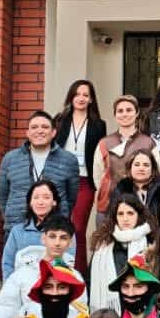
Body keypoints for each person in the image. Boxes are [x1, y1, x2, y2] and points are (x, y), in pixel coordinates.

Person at [54, 79, 107, 275]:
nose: (81, 98)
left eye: (86, 95)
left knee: (78, 228)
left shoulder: (98, 125)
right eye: (77, 94)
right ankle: (58, 271)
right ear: (71, 97)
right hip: (60, 180)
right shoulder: (59, 120)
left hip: (85, 181)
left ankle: (79, 275)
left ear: (91, 99)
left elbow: (99, 156)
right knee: (58, 227)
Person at [0, 110, 80, 226]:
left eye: (45, 127)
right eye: (34, 127)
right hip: (17, 226)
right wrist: (12, 218)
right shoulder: (10, 159)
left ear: (53, 132)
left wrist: (62, 217)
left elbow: (71, 197)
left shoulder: (69, 160)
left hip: (55, 228)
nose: (39, 131)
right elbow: (2, 195)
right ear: (27, 133)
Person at [0, 213, 78, 318]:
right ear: (43, 238)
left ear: (70, 242)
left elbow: (78, 315)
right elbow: (3, 312)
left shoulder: (75, 278)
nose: (57, 243)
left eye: (63, 238)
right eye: (52, 236)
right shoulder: (22, 275)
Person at [91, 95, 160, 224]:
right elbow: (98, 176)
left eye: (129, 110)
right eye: (120, 111)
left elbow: (156, 172)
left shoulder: (148, 142)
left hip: (140, 207)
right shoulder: (104, 143)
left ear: (137, 113)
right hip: (108, 204)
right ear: (115, 115)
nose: (124, 114)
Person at [85, 197, 156, 311]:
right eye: (120, 214)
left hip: (142, 310)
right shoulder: (103, 247)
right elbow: (90, 282)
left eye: (130, 213)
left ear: (139, 215)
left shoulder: (151, 245)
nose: (125, 218)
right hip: (109, 313)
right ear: (115, 217)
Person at [0, 178, 70, 282]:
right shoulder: (17, 232)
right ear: (30, 203)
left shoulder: (65, 232)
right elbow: (7, 264)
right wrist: (12, 286)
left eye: (46, 197)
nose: (40, 202)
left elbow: (68, 262)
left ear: (54, 202)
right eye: (36, 197)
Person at [111, 147, 160, 221]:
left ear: (152, 169)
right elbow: (112, 218)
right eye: (137, 165)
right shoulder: (120, 189)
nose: (141, 168)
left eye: (146, 165)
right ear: (130, 167)